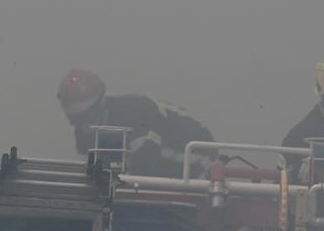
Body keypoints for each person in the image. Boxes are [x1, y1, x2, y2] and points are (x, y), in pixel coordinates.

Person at [55, 69, 217, 176]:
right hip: (156, 168)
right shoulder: (84, 135)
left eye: (86, 116)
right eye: (75, 118)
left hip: (196, 154)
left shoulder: (133, 114)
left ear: (100, 104)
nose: (81, 125)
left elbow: (146, 166)